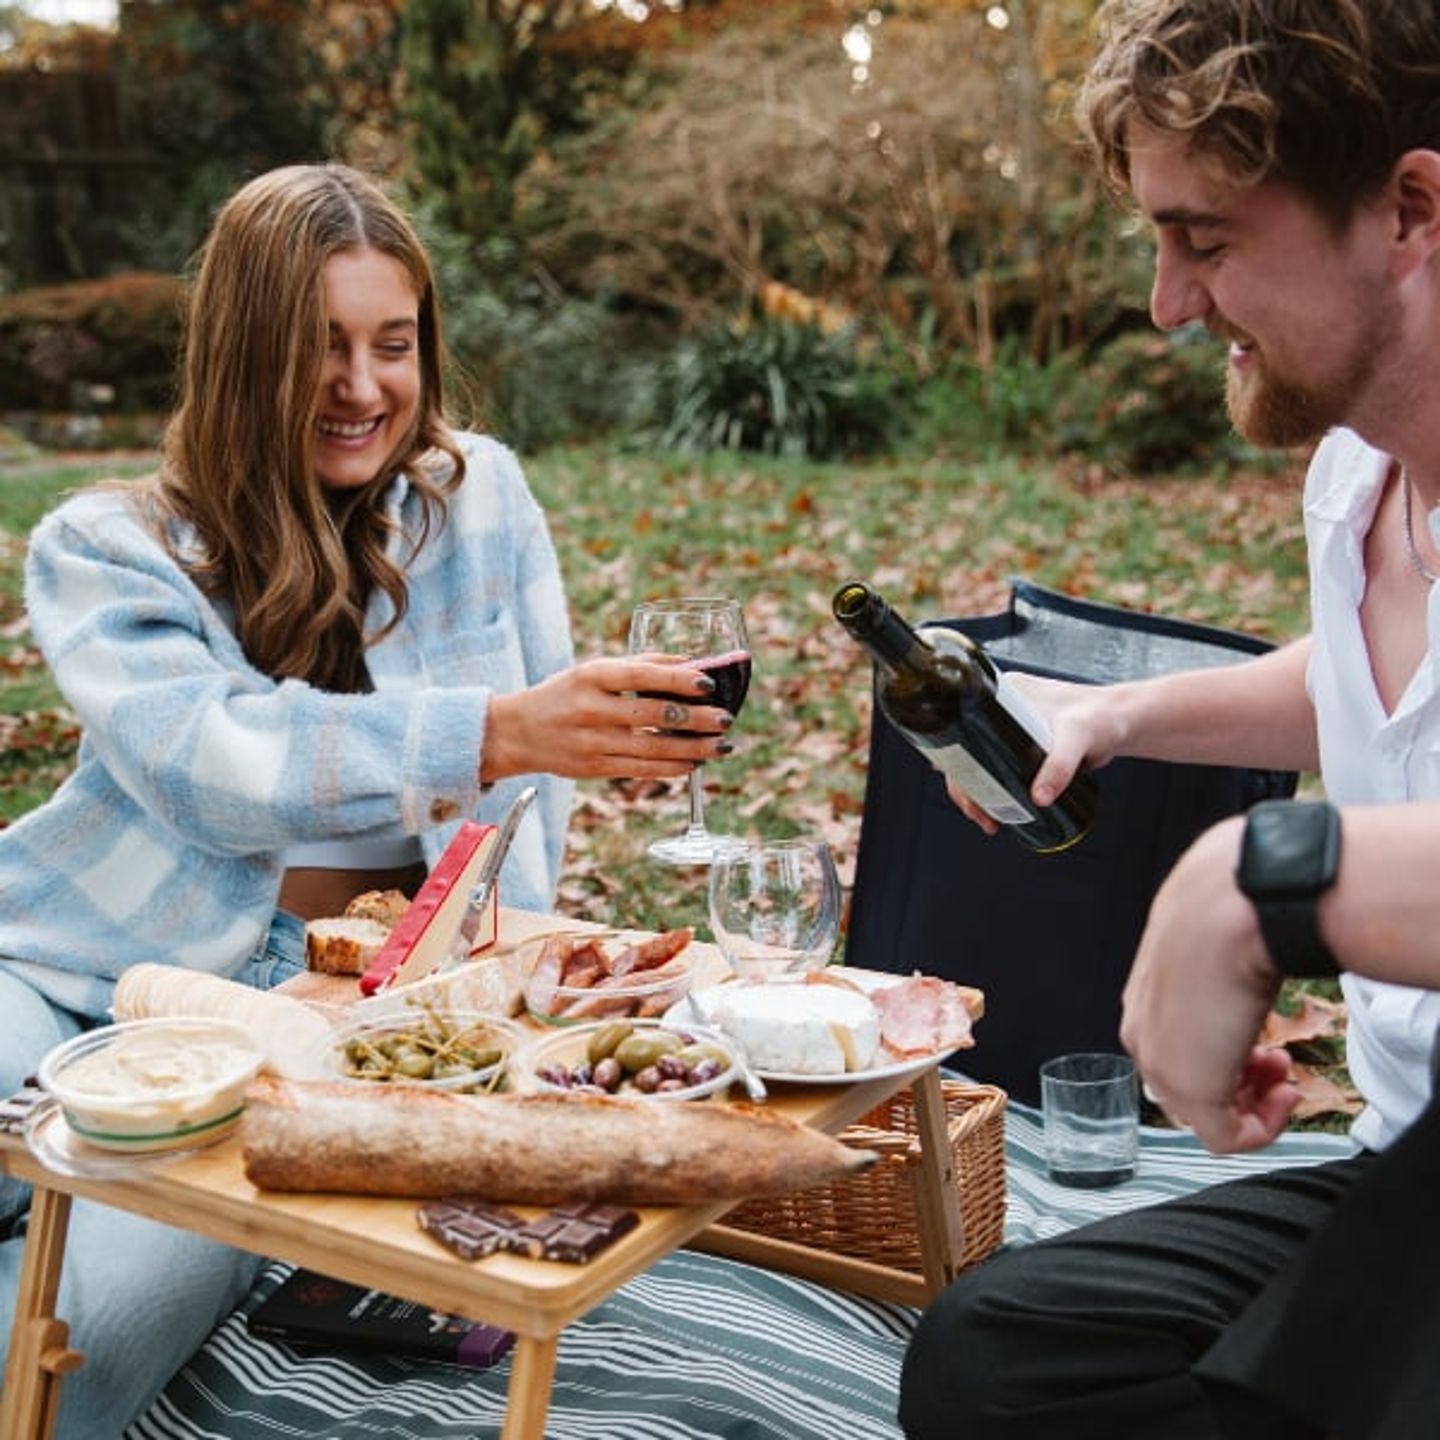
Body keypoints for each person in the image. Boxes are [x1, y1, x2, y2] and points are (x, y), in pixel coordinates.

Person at [0, 162, 736, 1438]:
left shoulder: (481, 497)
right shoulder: (105, 546)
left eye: (391, 345)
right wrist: (499, 731)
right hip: (67, 959)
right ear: (240, 360)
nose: (361, 387)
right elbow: (212, 762)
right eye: (317, 349)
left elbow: (528, 818)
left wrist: (492, 997)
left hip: (298, 1024)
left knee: (79, 1333)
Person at [900, 2, 1440, 1437]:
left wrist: (1261, 885)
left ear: (1411, 209)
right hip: (1394, 1165)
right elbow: (1369, 683)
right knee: (989, 1364)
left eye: (1205, 239)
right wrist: (1117, 712)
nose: (1168, 302)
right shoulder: (1359, 476)